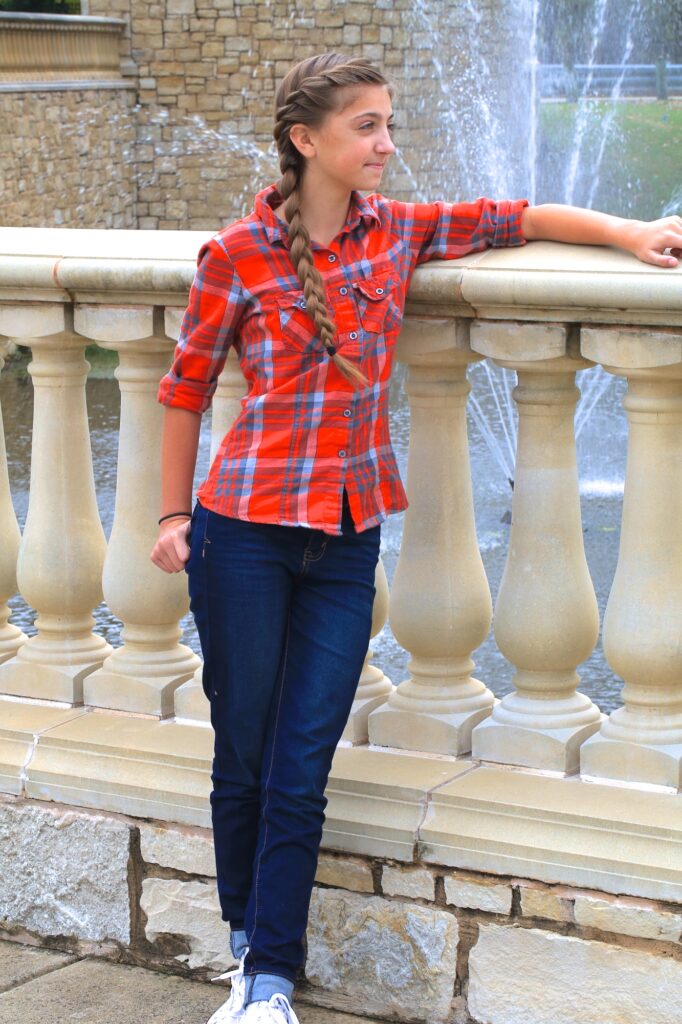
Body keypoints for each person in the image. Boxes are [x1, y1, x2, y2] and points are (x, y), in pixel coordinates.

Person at [150, 52, 682, 1024]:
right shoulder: (237, 254)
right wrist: (172, 515)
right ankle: (248, 943)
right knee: (246, 753)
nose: (387, 144)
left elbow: (515, 217)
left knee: (303, 757)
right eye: (366, 126)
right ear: (306, 140)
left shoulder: (396, 233)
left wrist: (631, 233)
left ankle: (268, 978)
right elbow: (183, 389)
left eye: (388, 123)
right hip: (243, 540)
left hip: (345, 543)